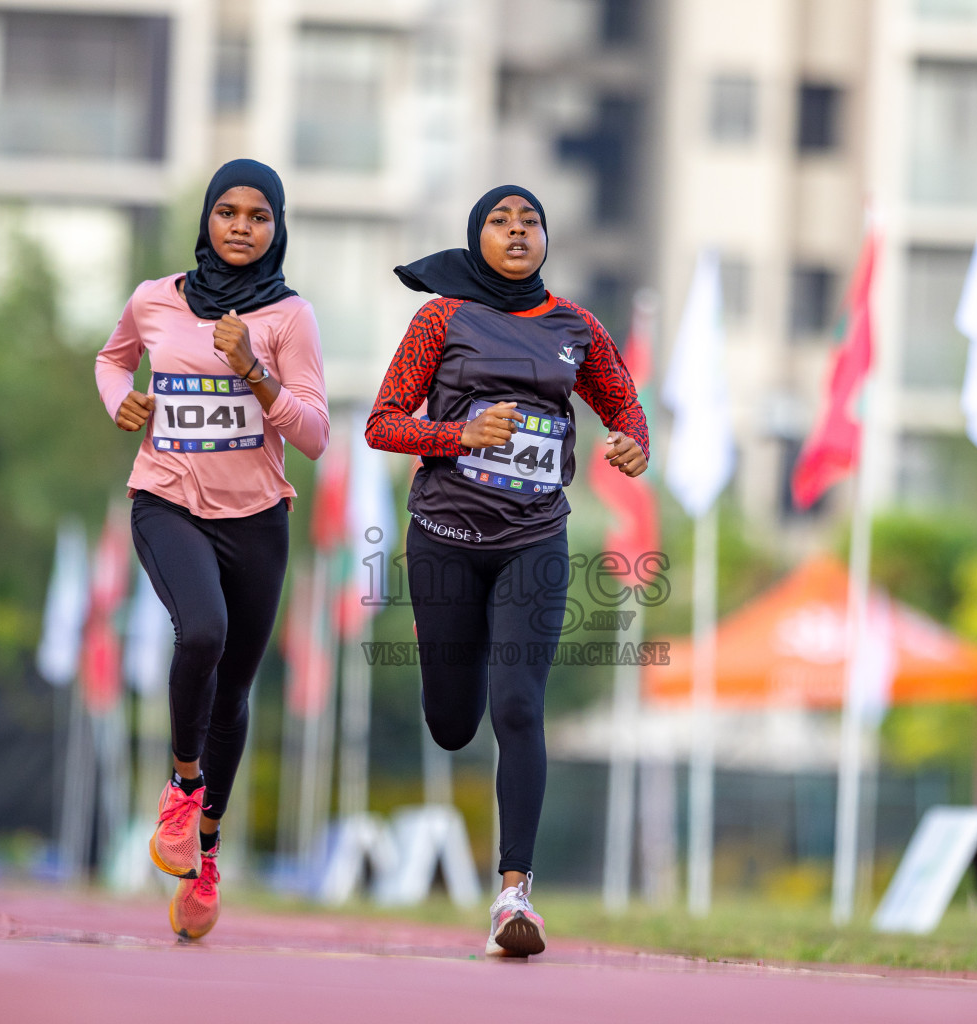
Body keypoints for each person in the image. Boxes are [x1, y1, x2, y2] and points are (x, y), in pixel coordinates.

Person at [365, 185, 648, 957]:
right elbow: (382, 423)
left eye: (531, 222)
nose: (518, 232)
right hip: (446, 539)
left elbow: (626, 409)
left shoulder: (575, 325)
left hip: (535, 539)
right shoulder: (441, 318)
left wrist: (632, 445)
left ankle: (514, 897)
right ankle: (454, 650)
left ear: (548, 239)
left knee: (519, 706)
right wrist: (459, 434)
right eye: (500, 221)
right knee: (455, 724)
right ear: (475, 237)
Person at [95, 159, 328, 940]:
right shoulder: (155, 300)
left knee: (233, 693)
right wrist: (120, 400)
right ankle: (181, 786)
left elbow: (316, 436)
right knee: (202, 631)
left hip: (258, 516)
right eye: (226, 211)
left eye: (257, 216)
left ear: (276, 229)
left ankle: (208, 850)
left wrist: (254, 371)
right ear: (206, 220)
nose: (239, 226)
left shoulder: (290, 317)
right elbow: (111, 357)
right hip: (167, 499)